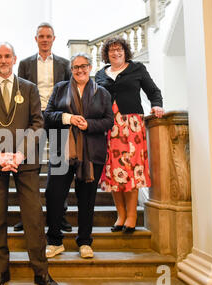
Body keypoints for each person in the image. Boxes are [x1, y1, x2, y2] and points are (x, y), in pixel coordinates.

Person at [0, 42, 60, 285]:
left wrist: (20, 153)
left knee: (33, 217)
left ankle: (41, 272)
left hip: (26, 161)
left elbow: (37, 123)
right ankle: (1, 270)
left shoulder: (29, 88)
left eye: (7, 56)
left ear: (14, 58)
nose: (2, 60)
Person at [44, 53, 113, 259]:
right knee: (53, 195)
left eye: (83, 66)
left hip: (91, 153)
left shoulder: (102, 93)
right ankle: (55, 241)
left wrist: (89, 124)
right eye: (75, 67)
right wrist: (68, 118)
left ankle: (84, 241)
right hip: (61, 151)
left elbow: (109, 121)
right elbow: (47, 115)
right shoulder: (60, 89)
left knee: (87, 199)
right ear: (71, 70)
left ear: (90, 68)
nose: (80, 70)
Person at [95, 37, 164, 234]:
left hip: (132, 127)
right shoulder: (100, 74)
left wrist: (156, 105)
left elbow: (153, 91)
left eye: (119, 50)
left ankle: (132, 216)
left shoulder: (137, 69)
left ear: (125, 52)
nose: (115, 53)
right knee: (114, 172)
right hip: (109, 127)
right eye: (111, 51)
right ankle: (121, 215)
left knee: (132, 171)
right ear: (106, 54)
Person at [15, 22, 72, 232]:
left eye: (48, 36)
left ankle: (60, 215)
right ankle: (27, 214)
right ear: (36, 39)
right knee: (29, 168)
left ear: (54, 39)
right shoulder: (25, 64)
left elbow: (70, 93)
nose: (45, 39)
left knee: (59, 169)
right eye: (41, 36)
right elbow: (19, 93)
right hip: (33, 119)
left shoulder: (66, 64)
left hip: (57, 118)